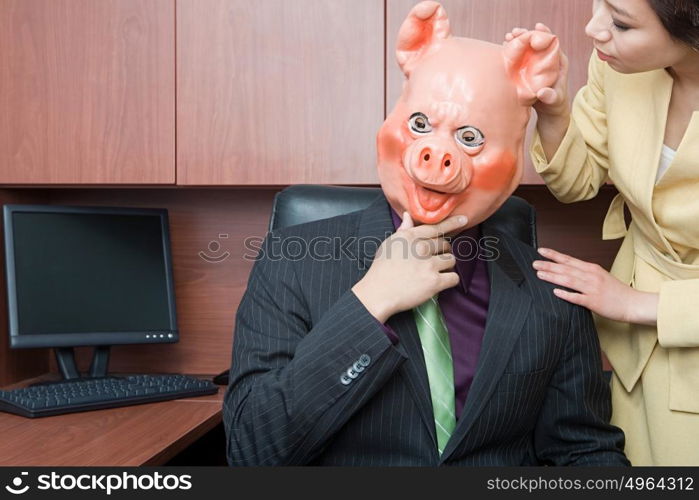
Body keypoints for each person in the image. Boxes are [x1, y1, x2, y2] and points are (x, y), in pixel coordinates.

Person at [222, 1, 629, 466]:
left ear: (515, 155)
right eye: (421, 126)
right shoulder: (291, 261)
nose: (437, 154)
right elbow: (252, 452)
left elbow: (585, 453)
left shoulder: (551, 297)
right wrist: (370, 303)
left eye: (470, 138)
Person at [517, 0, 699, 465]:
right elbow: (578, 184)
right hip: (629, 348)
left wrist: (636, 303)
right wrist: (555, 112)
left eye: (621, 23)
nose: (594, 29)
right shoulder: (618, 68)